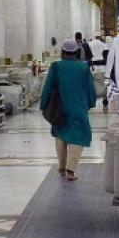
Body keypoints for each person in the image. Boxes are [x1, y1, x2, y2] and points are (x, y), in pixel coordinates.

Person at [39, 39, 97, 182]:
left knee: (61, 135)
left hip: (60, 108)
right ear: (76, 52)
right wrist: (90, 103)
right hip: (78, 108)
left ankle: (61, 167)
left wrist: (43, 105)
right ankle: (70, 171)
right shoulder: (84, 68)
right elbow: (91, 89)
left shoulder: (56, 67)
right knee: (78, 136)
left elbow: (47, 88)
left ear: (62, 52)